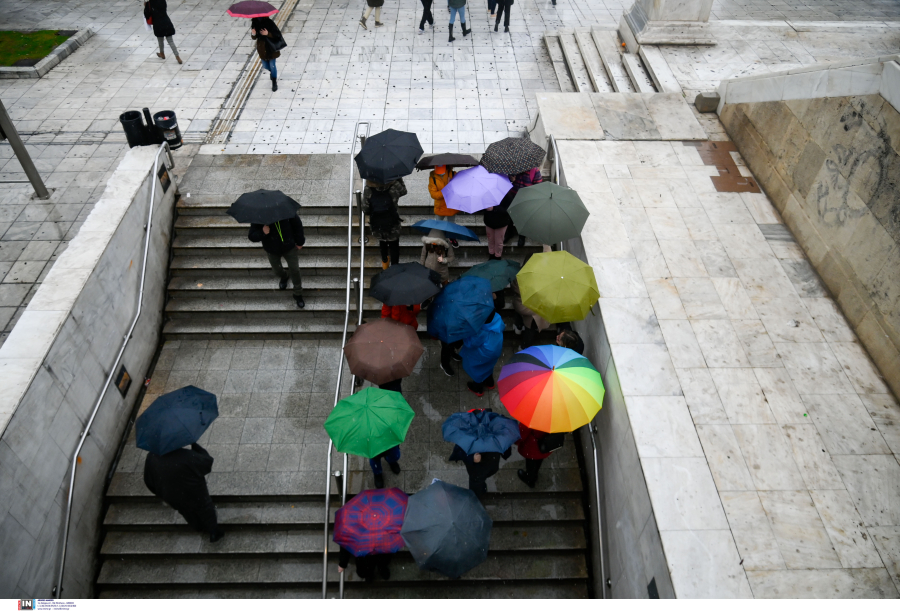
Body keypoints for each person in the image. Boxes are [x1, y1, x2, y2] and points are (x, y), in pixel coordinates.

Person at [143, 443, 224, 542]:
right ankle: (214, 532)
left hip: (171, 495)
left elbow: (148, 481)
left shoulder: (152, 457)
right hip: (194, 491)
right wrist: (195, 446)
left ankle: (198, 526)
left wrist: (161, 493)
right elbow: (207, 462)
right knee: (205, 508)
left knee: (186, 511)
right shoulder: (186, 456)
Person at [248, 213, 306, 309]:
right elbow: (251, 236)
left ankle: (298, 293)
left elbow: (297, 225)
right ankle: (284, 276)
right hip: (272, 250)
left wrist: (300, 242)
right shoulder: (259, 217)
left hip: (289, 247)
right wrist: (262, 232)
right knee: (277, 270)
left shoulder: (285, 211)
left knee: (295, 269)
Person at [363, 178, 407, 269]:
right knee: (394, 247)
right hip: (393, 224)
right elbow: (404, 191)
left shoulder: (368, 189)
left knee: (382, 243)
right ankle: (394, 269)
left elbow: (365, 209)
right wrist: (398, 178)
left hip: (377, 224)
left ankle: (385, 264)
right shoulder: (394, 186)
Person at [461, 310, 505, 396]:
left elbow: (471, 343)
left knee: (478, 368)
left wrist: (465, 337)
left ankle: (478, 388)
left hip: (484, 354)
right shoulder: (497, 318)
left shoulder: (482, 331)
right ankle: (490, 383)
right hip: (496, 349)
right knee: (488, 365)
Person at [505, 167, 543, 247]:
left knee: (522, 218)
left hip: (526, 198)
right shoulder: (514, 168)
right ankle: (509, 232)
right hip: (513, 195)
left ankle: (522, 236)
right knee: (510, 215)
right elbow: (506, 181)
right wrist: (512, 179)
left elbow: (539, 187)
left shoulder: (534, 171)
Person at [515, 422, 552, 488]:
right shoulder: (554, 418)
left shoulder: (531, 420)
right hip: (546, 446)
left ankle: (529, 479)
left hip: (532, 448)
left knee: (530, 464)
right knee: (539, 461)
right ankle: (535, 474)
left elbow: (521, 434)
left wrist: (515, 441)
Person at [250, 16, 283, 91]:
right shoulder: (254, 23)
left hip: (270, 48)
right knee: (265, 66)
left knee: (272, 65)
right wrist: (253, 34)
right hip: (262, 49)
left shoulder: (269, 22)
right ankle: (272, 72)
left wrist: (267, 34)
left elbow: (277, 34)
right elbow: (254, 37)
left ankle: (274, 82)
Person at [145, 0, 181, 64]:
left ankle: (162, 53)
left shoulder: (150, 3)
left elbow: (147, 14)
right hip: (166, 22)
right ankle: (177, 56)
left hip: (158, 24)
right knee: (170, 41)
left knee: (160, 39)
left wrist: (146, 6)